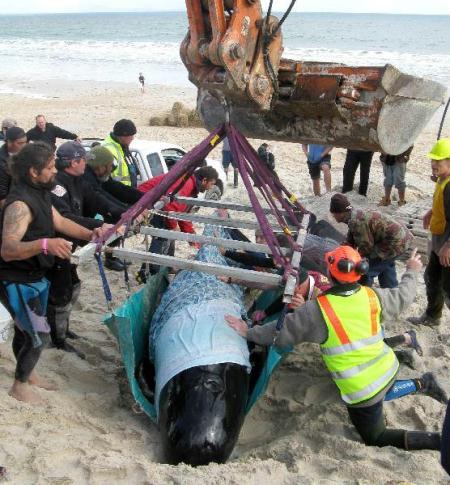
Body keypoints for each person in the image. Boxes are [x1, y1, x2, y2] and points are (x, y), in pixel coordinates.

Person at [226, 245, 447, 451]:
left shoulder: (317, 310)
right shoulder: (372, 295)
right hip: (388, 367)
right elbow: (404, 296)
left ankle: (437, 441)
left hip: (361, 389)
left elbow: (279, 334)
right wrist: (411, 271)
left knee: (375, 436)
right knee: (384, 390)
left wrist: (249, 331)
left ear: (329, 274)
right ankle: (422, 382)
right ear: (360, 272)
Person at [0, 142, 102, 404]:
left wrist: (94, 232)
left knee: (26, 333)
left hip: (35, 276)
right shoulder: (20, 205)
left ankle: (28, 374)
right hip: (15, 279)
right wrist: (46, 244)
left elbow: (62, 222)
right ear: (34, 172)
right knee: (39, 336)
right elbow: (8, 249)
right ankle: (19, 386)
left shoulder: (41, 193)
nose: (55, 171)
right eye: (50, 167)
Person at [48, 141, 121, 357]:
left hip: (70, 245)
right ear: (73, 162)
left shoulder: (79, 181)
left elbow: (99, 201)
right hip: (55, 246)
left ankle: (63, 329)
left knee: (74, 285)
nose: (86, 165)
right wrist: (97, 226)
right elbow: (65, 218)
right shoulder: (57, 185)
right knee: (61, 292)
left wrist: (124, 213)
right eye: (83, 161)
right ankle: (58, 340)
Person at [136, 166, 218, 280]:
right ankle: (148, 273)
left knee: (169, 233)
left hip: (156, 204)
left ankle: (168, 265)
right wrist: (174, 226)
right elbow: (169, 205)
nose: (211, 187)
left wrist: (192, 237)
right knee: (162, 236)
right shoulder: (187, 184)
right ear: (204, 180)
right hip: (142, 199)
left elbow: (183, 215)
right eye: (211, 183)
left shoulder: (192, 186)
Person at [407, 138, 450, 327]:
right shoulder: (442, 180)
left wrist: (448, 247)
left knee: (448, 288)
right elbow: (442, 202)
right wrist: (431, 211)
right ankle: (433, 316)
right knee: (432, 277)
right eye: (432, 160)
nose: (433, 164)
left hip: (447, 242)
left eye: (438, 161)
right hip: (439, 237)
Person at [329, 193, 413, 288]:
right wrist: (341, 250)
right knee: (385, 265)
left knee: (366, 270)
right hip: (401, 238)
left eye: (333, 214)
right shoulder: (354, 214)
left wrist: (355, 260)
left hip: (395, 242)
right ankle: (390, 290)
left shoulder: (357, 222)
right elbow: (351, 238)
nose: (333, 217)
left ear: (340, 213)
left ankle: (363, 293)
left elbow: (366, 248)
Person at [82, 145, 143, 271]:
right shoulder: (86, 180)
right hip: (78, 215)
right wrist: (125, 212)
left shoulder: (95, 174)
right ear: (100, 167)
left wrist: (144, 197)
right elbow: (100, 198)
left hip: (88, 212)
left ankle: (111, 256)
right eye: (110, 166)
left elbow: (116, 188)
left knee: (115, 219)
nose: (111, 169)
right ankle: (109, 258)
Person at [102, 119, 138, 188]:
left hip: (127, 193)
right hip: (116, 195)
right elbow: (103, 181)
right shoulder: (108, 151)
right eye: (131, 135)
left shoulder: (123, 147)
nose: (133, 138)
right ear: (123, 136)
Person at [0, 127, 27, 207]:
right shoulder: (2, 163)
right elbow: (2, 196)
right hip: (13, 202)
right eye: (20, 143)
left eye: (25, 142)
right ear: (9, 142)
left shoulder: (26, 152)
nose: (24, 145)